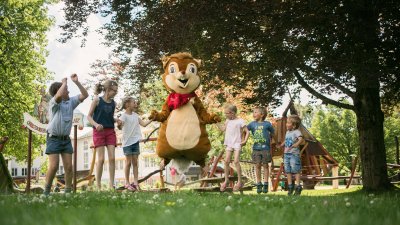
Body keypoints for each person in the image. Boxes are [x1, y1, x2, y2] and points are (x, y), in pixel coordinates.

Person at [43, 74, 88, 195]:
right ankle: (46, 192)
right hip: (53, 139)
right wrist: (64, 83)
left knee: (69, 167)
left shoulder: (71, 102)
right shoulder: (54, 103)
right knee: (54, 166)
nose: (67, 90)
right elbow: (58, 96)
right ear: (60, 91)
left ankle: (68, 193)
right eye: (65, 89)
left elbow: (85, 95)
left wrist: (77, 82)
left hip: (66, 140)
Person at [87, 79, 121, 190]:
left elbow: (109, 117)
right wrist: (96, 125)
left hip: (110, 131)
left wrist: (116, 120)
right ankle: (98, 186)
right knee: (101, 159)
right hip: (99, 132)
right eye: (114, 91)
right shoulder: (97, 100)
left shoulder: (113, 103)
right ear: (107, 89)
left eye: (116, 91)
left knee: (112, 158)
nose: (115, 93)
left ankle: (111, 185)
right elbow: (89, 116)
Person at [117, 97, 152, 191]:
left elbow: (144, 124)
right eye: (134, 102)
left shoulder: (135, 115)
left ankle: (136, 182)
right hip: (127, 143)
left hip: (135, 142)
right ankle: (127, 183)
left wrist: (153, 118)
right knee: (128, 163)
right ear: (127, 104)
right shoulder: (123, 116)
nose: (135, 104)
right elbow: (120, 127)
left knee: (135, 162)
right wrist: (119, 124)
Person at [216, 103, 249, 192]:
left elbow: (247, 131)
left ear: (232, 113)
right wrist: (216, 122)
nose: (225, 115)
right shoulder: (227, 121)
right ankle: (226, 180)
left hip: (237, 143)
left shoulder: (240, 121)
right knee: (226, 161)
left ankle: (239, 181)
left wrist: (245, 141)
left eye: (226, 113)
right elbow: (223, 129)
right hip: (229, 143)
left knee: (236, 161)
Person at [247, 106, 276, 194]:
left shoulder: (267, 124)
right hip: (256, 149)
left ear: (262, 114)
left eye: (256, 112)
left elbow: (274, 133)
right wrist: (242, 139)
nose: (253, 114)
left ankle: (266, 183)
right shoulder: (251, 124)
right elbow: (244, 130)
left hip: (265, 149)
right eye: (253, 112)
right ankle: (259, 183)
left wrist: (277, 143)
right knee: (257, 165)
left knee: (266, 165)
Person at [280, 115, 304, 195]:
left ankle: (298, 186)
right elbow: (286, 140)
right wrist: (281, 145)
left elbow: (301, 139)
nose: (286, 124)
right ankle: (290, 186)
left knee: (296, 169)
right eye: (287, 122)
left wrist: (297, 144)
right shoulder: (287, 132)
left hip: (294, 154)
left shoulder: (297, 132)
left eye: (288, 123)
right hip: (286, 154)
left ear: (294, 125)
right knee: (288, 170)